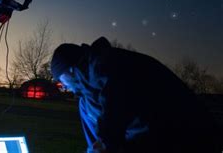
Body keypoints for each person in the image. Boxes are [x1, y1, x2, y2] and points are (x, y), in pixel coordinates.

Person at [50, 37, 221, 153]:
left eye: (62, 81)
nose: (64, 87)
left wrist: (106, 142)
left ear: (71, 70)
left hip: (184, 137)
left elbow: (115, 99)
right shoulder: (87, 99)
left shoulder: (107, 63)